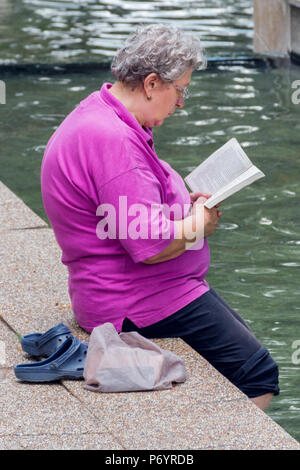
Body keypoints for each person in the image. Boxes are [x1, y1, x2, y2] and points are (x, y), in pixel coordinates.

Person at [41, 23, 279, 410]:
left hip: (139, 289)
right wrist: (198, 224)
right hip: (136, 300)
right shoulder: (113, 140)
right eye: (180, 90)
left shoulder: (101, 113)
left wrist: (181, 207)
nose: (182, 103)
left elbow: (124, 213)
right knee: (258, 373)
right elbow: (150, 247)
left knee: (242, 351)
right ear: (151, 83)